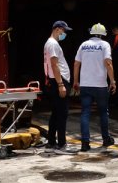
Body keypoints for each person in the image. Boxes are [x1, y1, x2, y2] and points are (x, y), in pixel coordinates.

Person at [72, 23, 117, 151]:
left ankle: (85, 143)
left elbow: (76, 64)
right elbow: (108, 63)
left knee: (85, 112)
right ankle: (105, 139)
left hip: (85, 84)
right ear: (103, 35)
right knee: (103, 112)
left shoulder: (83, 45)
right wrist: (112, 81)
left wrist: (76, 81)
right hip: (100, 85)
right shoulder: (104, 45)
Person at [42, 20, 73, 154]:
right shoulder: (53, 44)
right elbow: (54, 65)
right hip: (59, 81)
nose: (64, 33)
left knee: (56, 113)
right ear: (57, 29)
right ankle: (61, 143)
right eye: (63, 31)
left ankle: (51, 141)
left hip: (55, 81)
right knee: (62, 113)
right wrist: (61, 85)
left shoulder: (49, 44)